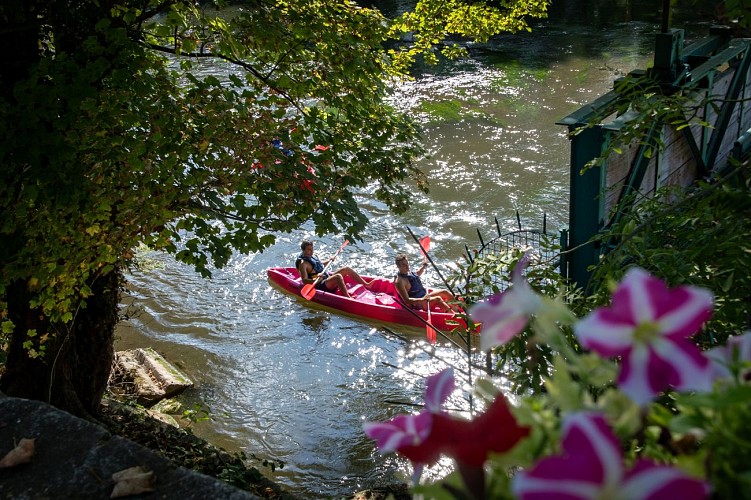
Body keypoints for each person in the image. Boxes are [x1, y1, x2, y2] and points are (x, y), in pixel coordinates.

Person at [296, 240, 372, 299]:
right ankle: (347, 297)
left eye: (312, 249)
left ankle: (366, 285)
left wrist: (329, 260)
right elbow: (304, 280)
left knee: (346, 269)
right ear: (303, 250)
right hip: (319, 284)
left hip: (326, 278)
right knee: (338, 276)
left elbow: (319, 265)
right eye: (309, 250)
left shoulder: (313, 256)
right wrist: (316, 279)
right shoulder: (303, 264)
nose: (311, 252)